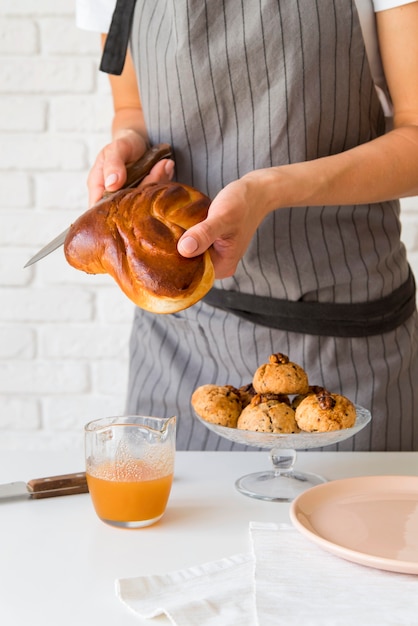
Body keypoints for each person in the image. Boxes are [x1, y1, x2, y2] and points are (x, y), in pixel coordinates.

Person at [75, 0, 418, 451]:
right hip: (182, 342)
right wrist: (130, 148)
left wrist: (271, 190)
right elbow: (133, 108)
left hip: (345, 345)